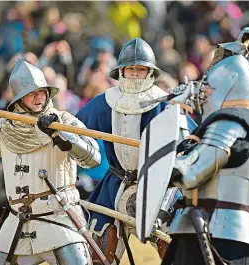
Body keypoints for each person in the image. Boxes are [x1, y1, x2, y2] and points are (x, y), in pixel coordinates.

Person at [0, 59, 101, 265]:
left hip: (58, 218)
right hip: (18, 220)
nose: (39, 96)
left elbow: (93, 158)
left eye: (42, 91)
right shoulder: (3, 128)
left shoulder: (64, 120)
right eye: (32, 93)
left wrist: (60, 135)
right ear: (19, 98)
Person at [76, 37, 196, 264]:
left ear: (150, 73)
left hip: (159, 186)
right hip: (115, 185)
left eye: (140, 70)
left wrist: (184, 144)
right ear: (121, 72)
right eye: (130, 69)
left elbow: (193, 139)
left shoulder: (164, 104)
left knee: (175, 247)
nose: (134, 74)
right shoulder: (105, 102)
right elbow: (73, 126)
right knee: (99, 251)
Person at [163, 54, 249, 265]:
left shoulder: (228, 125)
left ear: (228, 86)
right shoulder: (242, 124)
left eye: (208, 90)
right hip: (213, 229)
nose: (204, 96)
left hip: (219, 231)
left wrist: (159, 162)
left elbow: (190, 173)